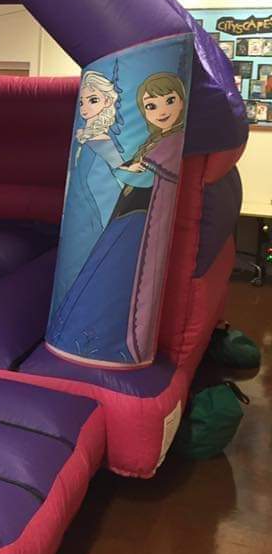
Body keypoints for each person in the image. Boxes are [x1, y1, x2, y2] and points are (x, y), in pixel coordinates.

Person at [48, 73, 187, 367]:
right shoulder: (152, 140)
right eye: (151, 106)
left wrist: (131, 170)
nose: (162, 111)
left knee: (106, 274)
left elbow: (133, 173)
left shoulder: (162, 143)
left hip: (133, 217)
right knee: (97, 271)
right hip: (122, 212)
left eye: (170, 101)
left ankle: (99, 340)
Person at [50, 71, 124, 316]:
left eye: (93, 100)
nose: (84, 108)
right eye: (82, 102)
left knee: (85, 264)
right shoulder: (85, 138)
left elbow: (119, 169)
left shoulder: (102, 141)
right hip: (79, 210)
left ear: (107, 101)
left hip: (91, 213)